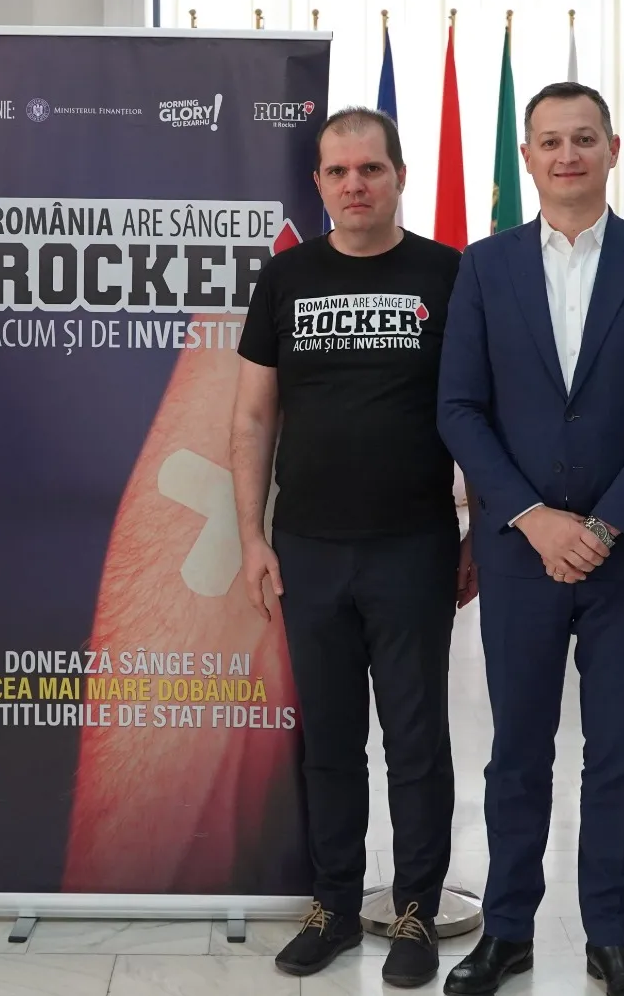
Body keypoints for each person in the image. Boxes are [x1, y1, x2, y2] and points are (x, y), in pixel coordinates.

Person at [437, 82, 624, 996]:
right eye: (550, 141)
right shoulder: (485, 267)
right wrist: (533, 517)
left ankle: (610, 936)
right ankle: (507, 931)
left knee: (619, 752)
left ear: (611, 149)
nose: (567, 155)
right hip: (520, 552)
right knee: (518, 750)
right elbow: (460, 408)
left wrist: (602, 524)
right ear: (527, 158)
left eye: (583, 138)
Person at [230, 105, 473, 989]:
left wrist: (478, 530)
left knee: (415, 741)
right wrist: (252, 537)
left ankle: (415, 909)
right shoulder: (286, 277)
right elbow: (253, 416)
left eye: (370, 168)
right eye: (337, 171)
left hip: (414, 545)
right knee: (329, 741)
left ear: (400, 175)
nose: (354, 184)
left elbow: (477, 411)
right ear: (319, 184)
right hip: (309, 549)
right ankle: (332, 903)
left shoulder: (449, 274)